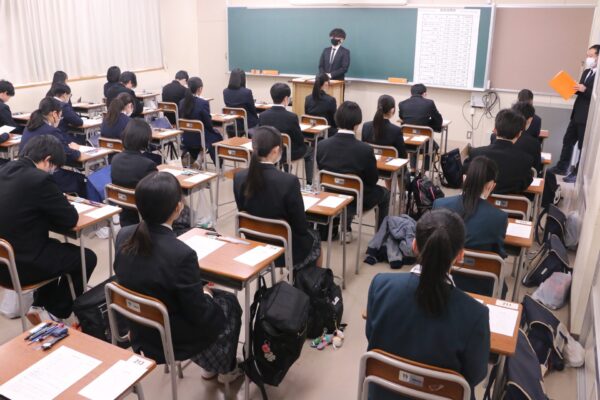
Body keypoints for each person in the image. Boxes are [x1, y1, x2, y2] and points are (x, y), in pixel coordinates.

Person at [114, 172, 242, 382]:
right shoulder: (181, 254)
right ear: (178, 208)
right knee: (228, 303)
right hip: (170, 336)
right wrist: (206, 293)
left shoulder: (123, 235)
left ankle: (212, 365)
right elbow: (198, 313)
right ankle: (224, 368)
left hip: (139, 328)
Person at [366, 209, 490, 400]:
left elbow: (371, 336)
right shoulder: (475, 314)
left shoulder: (380, 286)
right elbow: (476, 375)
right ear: (460, 255)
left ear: (414, 246)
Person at [0, 135, 97, 322]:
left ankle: (39, 305)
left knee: (53, 247)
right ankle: (55, 313)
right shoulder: (40, 179)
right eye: (55, 167)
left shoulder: (4, 169)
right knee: (86, 258)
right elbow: (70, 219)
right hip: (22, 268)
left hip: (4, 263)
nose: (53, 172)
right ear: (47, 160)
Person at [233, 126, 321, 271]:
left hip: (254, 242)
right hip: (284, 247)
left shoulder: (239, 177)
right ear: (275, 150)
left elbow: (243, 210)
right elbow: (300, 227)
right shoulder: (289, 181)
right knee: (315, 236)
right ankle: (310, 281)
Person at [317, 101, 390, 240]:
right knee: (385, 194)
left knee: (349, 185)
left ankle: (345, 228)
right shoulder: (365, 150)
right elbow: (372, 180)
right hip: (356, 200)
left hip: (331, 195)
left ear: (336, 119)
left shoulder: (321, 145)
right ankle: (380, 238)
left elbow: (321, 170)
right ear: (357, 124)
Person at [433, 156, 507, 258]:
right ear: (491, 185)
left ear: (464, 179)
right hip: (480, 267)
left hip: (441, 265)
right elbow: (498, 253)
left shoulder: (439, 204)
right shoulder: (499, 217)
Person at [550, 44, 600, 183]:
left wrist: (585, 90)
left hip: (586, 117)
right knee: (568, 140)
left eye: (591, 56)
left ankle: (576, 173)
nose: (588, 58)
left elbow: (595, 96)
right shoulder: (587, 72)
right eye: (587, 55)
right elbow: (581, 90)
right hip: (577, 113)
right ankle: (562, 167)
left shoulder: (598, 75)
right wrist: (573, 87)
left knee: (582, 147)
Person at [464, 109, 533, 195]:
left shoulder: (476, 153)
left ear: (495, 130)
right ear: (519, 134)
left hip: (478, 200)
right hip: (511, 203)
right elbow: (525, 184)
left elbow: (466, 177)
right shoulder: (526, 160)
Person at [258, 83, 312, 183]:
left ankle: (285, 169)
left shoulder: (263, 115)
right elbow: (299, 140)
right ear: (286, 98)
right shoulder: (292, 117)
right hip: (288, 153)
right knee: (309, 151)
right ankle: (309, 183)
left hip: (271, 152)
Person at [111, 119, 158, 226]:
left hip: (125, 218)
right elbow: (156, 195)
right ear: (145, 140)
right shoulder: (147, 165)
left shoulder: (115, 159)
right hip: (145, 220)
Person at [20, 97, 81, 164]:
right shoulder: (52, 131)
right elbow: (68, 155)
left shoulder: (29, 126)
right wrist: (75, 150)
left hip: (23, 166)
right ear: (54, 114)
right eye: (60, 116)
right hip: (38, 169)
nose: (59, 119)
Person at [178, 76, 222, 165]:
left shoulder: (181, 102)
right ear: (200, 89)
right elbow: (208, 124)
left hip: (186, 137)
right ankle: (217, 164)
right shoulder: (203, 103)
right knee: (217, 136)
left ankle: (196, 157)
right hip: (199, 138)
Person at [362, 94, 407, 159]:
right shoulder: (396, 130)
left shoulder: (366, 126)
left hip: (370, 163)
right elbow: (403, 156)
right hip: (389, 165)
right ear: (392, 110)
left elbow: (363, 150)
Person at [510, 101, 542, 175]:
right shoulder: (534, 143)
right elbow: (536, 169)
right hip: (522, 178)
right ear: (530, 119)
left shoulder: (496, 137)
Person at [223, 68, 258, 135]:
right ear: (243, 79)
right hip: (248, 123)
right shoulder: (247, 92)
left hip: (233, 122)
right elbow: (252, 109)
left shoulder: (225, 91)